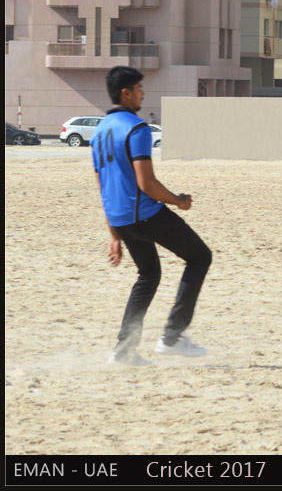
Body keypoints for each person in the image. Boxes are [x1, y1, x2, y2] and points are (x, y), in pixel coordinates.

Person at [92, 66, 212, 366]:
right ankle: (172, 337)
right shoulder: (136, 128)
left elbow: (103, 188)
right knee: (200, 257)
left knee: (148, 275)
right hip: (145, 214)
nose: (143, 94)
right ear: (126, 93)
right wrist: (178, 201)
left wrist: (114, 235)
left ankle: (124, 351)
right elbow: (147, 184)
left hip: (120, 219)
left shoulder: (99, 131)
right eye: (139, 89)